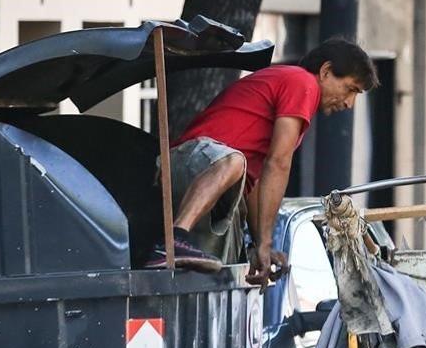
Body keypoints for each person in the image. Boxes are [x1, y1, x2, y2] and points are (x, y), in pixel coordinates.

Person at [145, 38, 378, 286]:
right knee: (235, 161)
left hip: (213, 181)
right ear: (326, 71)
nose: (349, 104)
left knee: (225, 273)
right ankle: (172, 241)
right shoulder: (303, 82)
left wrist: (261, 246)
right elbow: (278, 163)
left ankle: (175, 251)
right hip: (185, 161)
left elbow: (255, 185)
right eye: (351, 89)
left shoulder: (290, 99)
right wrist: (265, 242)